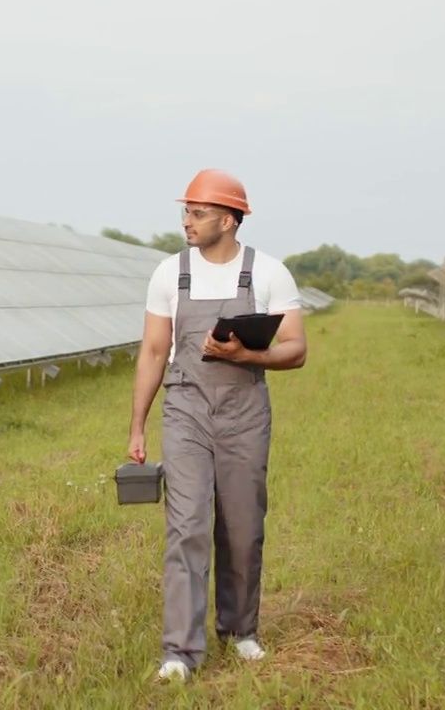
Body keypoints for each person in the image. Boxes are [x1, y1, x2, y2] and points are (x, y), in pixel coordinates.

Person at [127, 168, 308, 683]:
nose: (187, 221)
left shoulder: (269, 274)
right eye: (185, 211)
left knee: (243, 527)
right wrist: (137, 426)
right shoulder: (169, 274)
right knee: (185, 527)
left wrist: (245, 352)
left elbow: (295, 349)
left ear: (228, 221)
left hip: (245, 412)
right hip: (185, 411)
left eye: (197, 213)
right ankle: (180, 652)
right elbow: (154, 352)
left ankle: (240, 630)